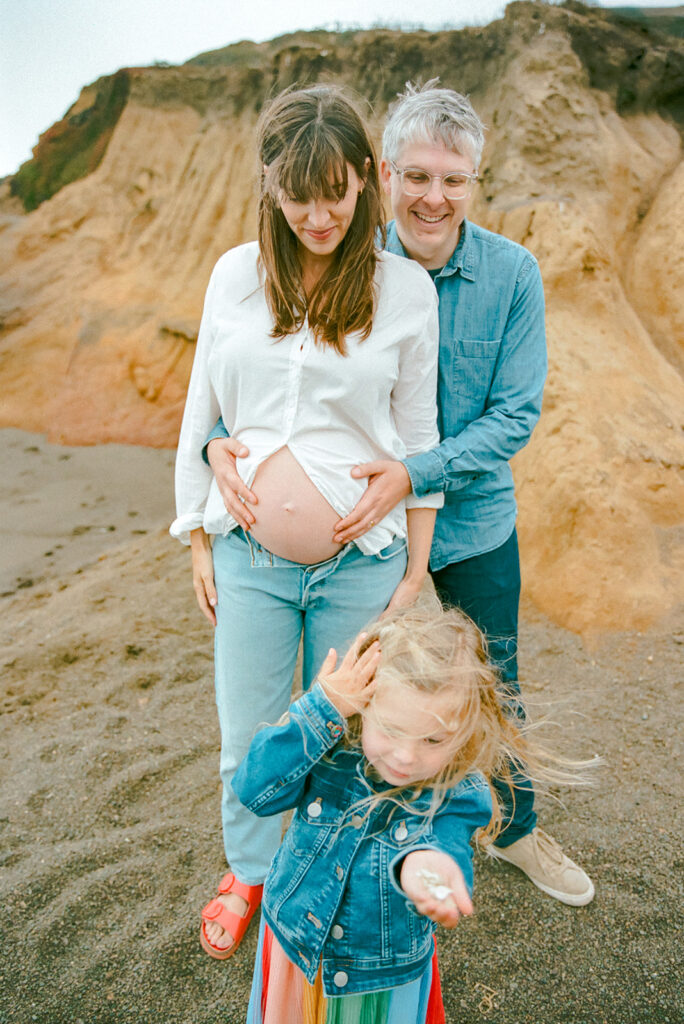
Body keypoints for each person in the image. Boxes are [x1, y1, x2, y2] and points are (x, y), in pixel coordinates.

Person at [206, 81, 594, 907]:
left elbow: (516, 415)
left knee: (497, 686)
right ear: (384, 173)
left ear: (475, 182)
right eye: (417, 176)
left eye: (453, 179)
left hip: (472, 525)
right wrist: (213, 469)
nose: (434, 196)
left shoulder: (511, 275)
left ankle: (516, 831)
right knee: (364, 704)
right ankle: (349, 852)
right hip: (363, 543)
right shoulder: (341, 252)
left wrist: (414, 476)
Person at [170, 85, 444, 959]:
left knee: (352, 738)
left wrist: (413, 571)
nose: (318, 214)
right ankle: (249, 871)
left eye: (335, 191)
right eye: (299, 194)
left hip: (362, 558)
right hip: (249, 554)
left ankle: (337, 880)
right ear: (271, 185)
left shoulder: (404, 289)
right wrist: (196, 534)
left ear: (366, 179)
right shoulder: (231, 274)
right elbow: (201, 409)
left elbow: (419, 432)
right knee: (248, 731)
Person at [233, 603, 582, 1023]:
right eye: (392, 729)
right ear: (364, 703)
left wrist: (425, 871)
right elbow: (255, 790)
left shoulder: (460, 792)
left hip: (376, 975)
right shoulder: (332, 743)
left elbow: (439, 847)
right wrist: (322, 709)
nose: (405, 755)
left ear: (466, 730)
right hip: (293, 936)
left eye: (433, 739)